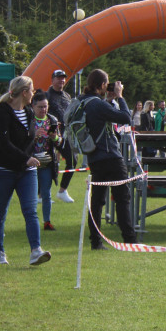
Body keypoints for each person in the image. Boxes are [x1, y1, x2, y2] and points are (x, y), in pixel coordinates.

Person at [0, 76, 51, 266]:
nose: (33, 94)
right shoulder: (1, 112)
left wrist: (31, 157)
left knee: (30, 211)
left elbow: (29, 140)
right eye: (31, 90)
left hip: (26, 171)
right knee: (0, 212)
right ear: (24, 92)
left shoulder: (29, 112)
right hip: (2, 170)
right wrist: (25, 158)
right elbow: (4, 143)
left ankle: (36, 250)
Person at [79, 70, 138, 250]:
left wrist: (110, 100)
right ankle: (130, 240)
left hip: (94, 156)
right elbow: (126, 118)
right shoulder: (97, 104)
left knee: (97, 201)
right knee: (122, 198)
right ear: (102, 85)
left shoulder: (83, 101)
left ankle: (95, 241)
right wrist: (120, 97)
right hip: (110, 156)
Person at [29, 91, 62, 232]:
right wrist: (33, 136)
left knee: (46, 193)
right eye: (40, 107)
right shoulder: (28, 119)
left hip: (47, 162)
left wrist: (54, 137)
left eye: (45, 106)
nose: (44, 110)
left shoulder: (52, 120)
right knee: (30, 193)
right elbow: (20, 140)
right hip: (31, 161)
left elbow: (60, 141)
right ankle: (31, 221)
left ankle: (47, 221)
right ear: (33, 107)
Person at [45, 69, 77, 204]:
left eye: (63, 78)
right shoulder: (46, 95)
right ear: (52, 80)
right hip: (49, 134)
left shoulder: (67, 96)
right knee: (47, 163)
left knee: (73, 160)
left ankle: (62, 191)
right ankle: (42, 195)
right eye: (58, 78)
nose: (61, 80)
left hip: (64, 134)